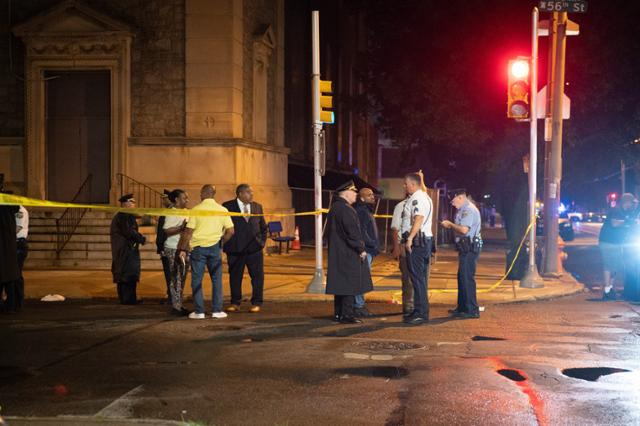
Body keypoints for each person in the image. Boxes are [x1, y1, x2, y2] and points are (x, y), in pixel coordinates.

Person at [178, 184, 234, 319]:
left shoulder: (196, 210)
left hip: (198, 249)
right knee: (216, 280)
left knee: (197, 280)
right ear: (213, 194)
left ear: (203, 194)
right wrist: (221, 243)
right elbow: (231, 231)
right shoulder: (222, 209)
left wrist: (182, 249)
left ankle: (199, 311)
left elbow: (188, 232)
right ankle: (217, 310)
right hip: (215, 248)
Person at [325, 180, 373, 324]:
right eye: (354, 192)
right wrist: (360, 249)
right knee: (350, 284)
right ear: (346, 193)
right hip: (349, 252)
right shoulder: (346, 209)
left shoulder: (335, 207)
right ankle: (347, 314)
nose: (356, 195)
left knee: (340, 284)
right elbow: (352, 232)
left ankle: (338, 314)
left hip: (338, 252)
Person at [222, 184, 268, 313]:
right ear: (240, 194)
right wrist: (224, 243)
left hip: (254, 249)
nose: (251, 194)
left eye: (252, 192)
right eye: (248, 192)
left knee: (258, 277)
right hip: (235, 249)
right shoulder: (227, 206)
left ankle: (257, 302)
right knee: (235, 277)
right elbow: (223, 227)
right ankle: (235, 302)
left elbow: (263, 227)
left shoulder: (257, 207)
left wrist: (261, 243)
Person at [441, 189, 482, 319]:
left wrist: (450, 224)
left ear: (460, 197)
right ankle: (462, 307)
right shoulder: (463, 209)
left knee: (467, 277)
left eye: (453, 200)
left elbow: (464, 229)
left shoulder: (468, 210)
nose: (452, 204)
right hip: (466, 246)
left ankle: (471, 309)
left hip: (470, 247)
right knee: (462, 276)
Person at [401, 173, 434, 325]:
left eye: (406, 184)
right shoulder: (424, 197)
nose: (404, 186)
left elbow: (418, 218)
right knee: (418, 278)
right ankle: (418, 310)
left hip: (417, 242)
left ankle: (421, 313)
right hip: (423, 241)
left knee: (417, 278)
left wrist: (410, 238)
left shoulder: (417, 198)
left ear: (413, 184)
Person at [598, 193, 638, 300]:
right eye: (632, 203)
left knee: (615, 267)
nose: (633, 205)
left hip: (617, 243)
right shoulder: (616, 210)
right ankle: (607, 291)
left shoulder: (626, 212)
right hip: (607, 242)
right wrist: (629, 222)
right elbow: (615, 224)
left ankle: (610, 289)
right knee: (608, 266)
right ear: (627, 202)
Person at [110, 194, 146, 305]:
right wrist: (141, 238)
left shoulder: (121, 216)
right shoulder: (125, 216)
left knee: (123, 274)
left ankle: (126, 298)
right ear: (125, 203)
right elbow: (129, 231)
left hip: (123, 250)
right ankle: (129, 299)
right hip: (127, 250)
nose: (134, 204)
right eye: (132, 201)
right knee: (128, 275)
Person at [353, 187, 379, 317]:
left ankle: (358, 304)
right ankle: (358, 305)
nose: (372, 197)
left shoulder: (366, 210)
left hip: (368, 250)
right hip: (366, 250)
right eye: (369, 195)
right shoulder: (362, 211)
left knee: (362, 278)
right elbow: (362, 231)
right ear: (362, 198)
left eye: (373, 195)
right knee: (362, 279)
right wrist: (372, 243)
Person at [163, 189, 189, 315]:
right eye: (184, 198)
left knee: (181, 278)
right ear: (177, 200)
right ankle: (176, 307)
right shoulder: (171, 213)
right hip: (173, 248)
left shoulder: (185, 212)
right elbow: (167, 231)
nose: (187, 200)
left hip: (184, 248)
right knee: (176, 278)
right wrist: (181, 227)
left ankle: (179, 304)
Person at [391, 192, 413, 316]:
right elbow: (395, 228)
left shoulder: (420, 204)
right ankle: (408, 306)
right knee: (407, 278)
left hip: (418, 246)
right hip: (404, 245)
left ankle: (415, 305)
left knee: (416, 278)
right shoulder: (401, 206)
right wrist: (396, 248)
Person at [0, 189, 20, 314]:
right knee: (10, 280)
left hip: (5, 247)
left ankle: (9, 305)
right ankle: (11, 306)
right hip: (10, 247)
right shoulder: (10, 206)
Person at [157, 189, 173, 304]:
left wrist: (160, 247)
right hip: (173, 247)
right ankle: (172, 295)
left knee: (169, 274)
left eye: (164, 198)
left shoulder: (167, 213)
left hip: (168, 247)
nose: (163, 201)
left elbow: (162, 232)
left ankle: (172, 297)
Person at [14, 205, 29, 311]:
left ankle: (18, 302)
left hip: (18, 244)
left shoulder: (20, 211)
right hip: (16, 244)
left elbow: (17, 228)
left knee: (17, 274)